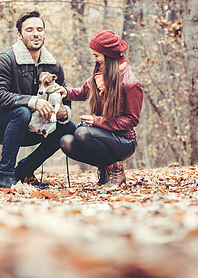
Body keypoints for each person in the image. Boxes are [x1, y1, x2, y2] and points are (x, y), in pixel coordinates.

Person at [0, 9, 76, 188]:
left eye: (39, 29)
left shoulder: (54, 66)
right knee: (22, 112)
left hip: (30, 126)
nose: (36, 34)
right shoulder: (6, 60)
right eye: (29, 30)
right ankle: (4, 176)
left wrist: (63, 112)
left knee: (68, 127)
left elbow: (64, 97)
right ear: (19, 34)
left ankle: (23, 171)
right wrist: (33, 101)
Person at [57, 30, 143, 189]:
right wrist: (66, 92)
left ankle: (117, 172)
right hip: (103, 135)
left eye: (97, 55)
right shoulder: (100, 73)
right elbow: (84, 92)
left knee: (82, 133)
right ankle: (105, 171)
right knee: (66, 142)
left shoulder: (130, 84)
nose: (94, 59)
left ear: (108, 55)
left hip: (124, 140)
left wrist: (98, 121)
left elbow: (132, 120)